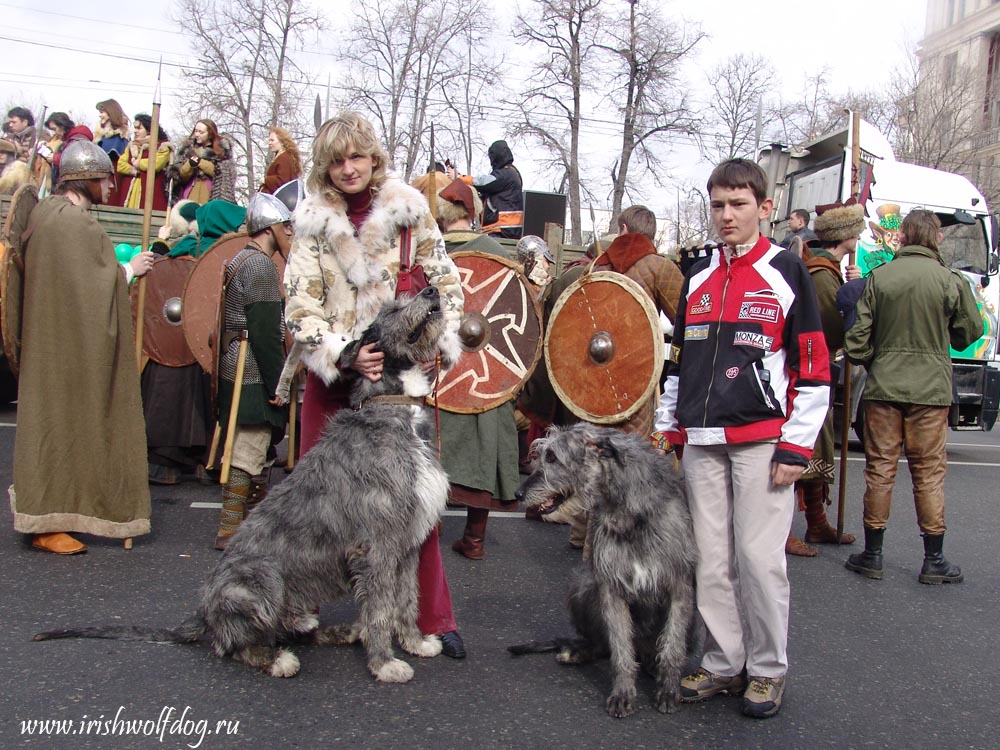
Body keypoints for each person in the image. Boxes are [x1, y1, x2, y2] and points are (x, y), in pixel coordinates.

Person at [284, 111, 467, 657]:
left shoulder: (410, 212)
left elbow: (447, 285)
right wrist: (342, 352)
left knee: (416, 505)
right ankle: (295, 606)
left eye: (356, 157)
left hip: (400, 385)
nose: (347, 168)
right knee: (317, 504)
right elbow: (298, 307)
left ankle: (431, 618)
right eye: (336, 160)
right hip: (335, 380)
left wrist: (442, 344)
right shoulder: (312, 223)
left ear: (373, 157)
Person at [653, 158, 830, 718]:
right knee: (709, 557)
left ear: (764, 207)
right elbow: (677, 365)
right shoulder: (698, 276)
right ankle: (725, 662)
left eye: (738, 204)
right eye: (718, 205)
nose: (726, 216)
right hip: (702, 439)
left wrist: (797, 447)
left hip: (762, 441)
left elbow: (813, 366)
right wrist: (667, 428)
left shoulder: (787, 270)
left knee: (758, 558)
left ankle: (768, 669)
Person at [9, 140, 155, 554]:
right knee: (61, 425)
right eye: (105, 180)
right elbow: (92, 288)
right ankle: (48, 518)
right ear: (86, 179)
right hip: (63, 347)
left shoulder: (48, 214)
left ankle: (55, 514)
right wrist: (130, 268)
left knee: (60, 424)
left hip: (54, 342)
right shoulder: (75, 224)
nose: (111, 187)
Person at [844, 209, 981, 584]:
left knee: (880, 469)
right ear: (936, 238)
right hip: (931, 393)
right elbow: (970, 332)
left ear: (902, 237)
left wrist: (881, 361)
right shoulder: (949, 280)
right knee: (929, 474)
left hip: (884, 390)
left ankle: (873, 555)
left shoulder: (879, 279)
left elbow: (856, 343)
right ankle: (933, 560)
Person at [411, 173, 521, 561]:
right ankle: (474, 539)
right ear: (473, 210)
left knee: (431, 450)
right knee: (484, 447)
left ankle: (429, 534)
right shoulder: (496, 249)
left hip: (437, 368)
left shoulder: (428, 250)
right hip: (485, 371)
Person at [143, 198, 246, 486]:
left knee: (173, 393)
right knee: (209, 397)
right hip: (211, 346)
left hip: (179, 345)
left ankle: (167, 465)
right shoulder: (236, 253)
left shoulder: (189, 247)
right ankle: (207, 462)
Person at [213, 192, 293, 550]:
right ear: (271, 228)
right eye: (285, 226)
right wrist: (280, 382)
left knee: (260, 447)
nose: (289, 232)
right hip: (253, 370)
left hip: (238, 364)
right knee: (250, 445)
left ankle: (251, 523)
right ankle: (231, 528)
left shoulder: (239, 259)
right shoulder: (260, 266)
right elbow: (264, 334)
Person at [784, 205, 863, 557]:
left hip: (819, 367)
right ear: (844, 235)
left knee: (816, 448)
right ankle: (784, 530)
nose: (859, 236)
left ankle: (816, 522)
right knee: (799, 450)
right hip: (811, 367)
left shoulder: (828, 270)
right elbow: (830, 326)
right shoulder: (821, 274)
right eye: (855, 231)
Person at [594, 205, 684, 435]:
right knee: (633, 451)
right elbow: (685, 321)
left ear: (622, 228)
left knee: (595, 448)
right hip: (638, 372)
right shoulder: (660, 267)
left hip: (595, 368)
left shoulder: (597, 267)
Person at [169, 119, 236, 205]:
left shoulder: (221, 152)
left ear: (210, 134)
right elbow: (180, 176)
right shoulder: (187, 150)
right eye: (196, 131)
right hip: (190, 192)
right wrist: (190, 164)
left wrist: (200, 162)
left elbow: (220, 173)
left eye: (201, 132)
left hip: (211, 193)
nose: (197, 135)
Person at [118, 114, 173, 211]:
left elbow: (155, 164)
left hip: (151, 196)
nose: (135, 131)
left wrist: (138, 163)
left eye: (139, 128)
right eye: (135, 128)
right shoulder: (131, 146)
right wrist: (135, 171)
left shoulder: (162, 147)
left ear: (148, 129)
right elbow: (120, 165)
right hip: (130, 195)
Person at [473, 140, 523, 239]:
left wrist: (461, 179)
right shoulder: (512, 173)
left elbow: (483, 183)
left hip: (502, 229)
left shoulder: (506, 174)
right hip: (506, 229)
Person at [94, 99, 131, 206]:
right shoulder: (100, 136)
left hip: (111, 180)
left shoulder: (119, 136)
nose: (100, 116)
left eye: (102, 112)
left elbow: (115, 164)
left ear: (111, 112)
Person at [259, 127, 302, 194]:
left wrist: (265, 180)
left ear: (282, 142)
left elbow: (282, 182)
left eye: (272, 140)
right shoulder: (284, 157)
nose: (269, 143)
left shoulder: (285, 158)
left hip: (275, 202)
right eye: (269, 140)